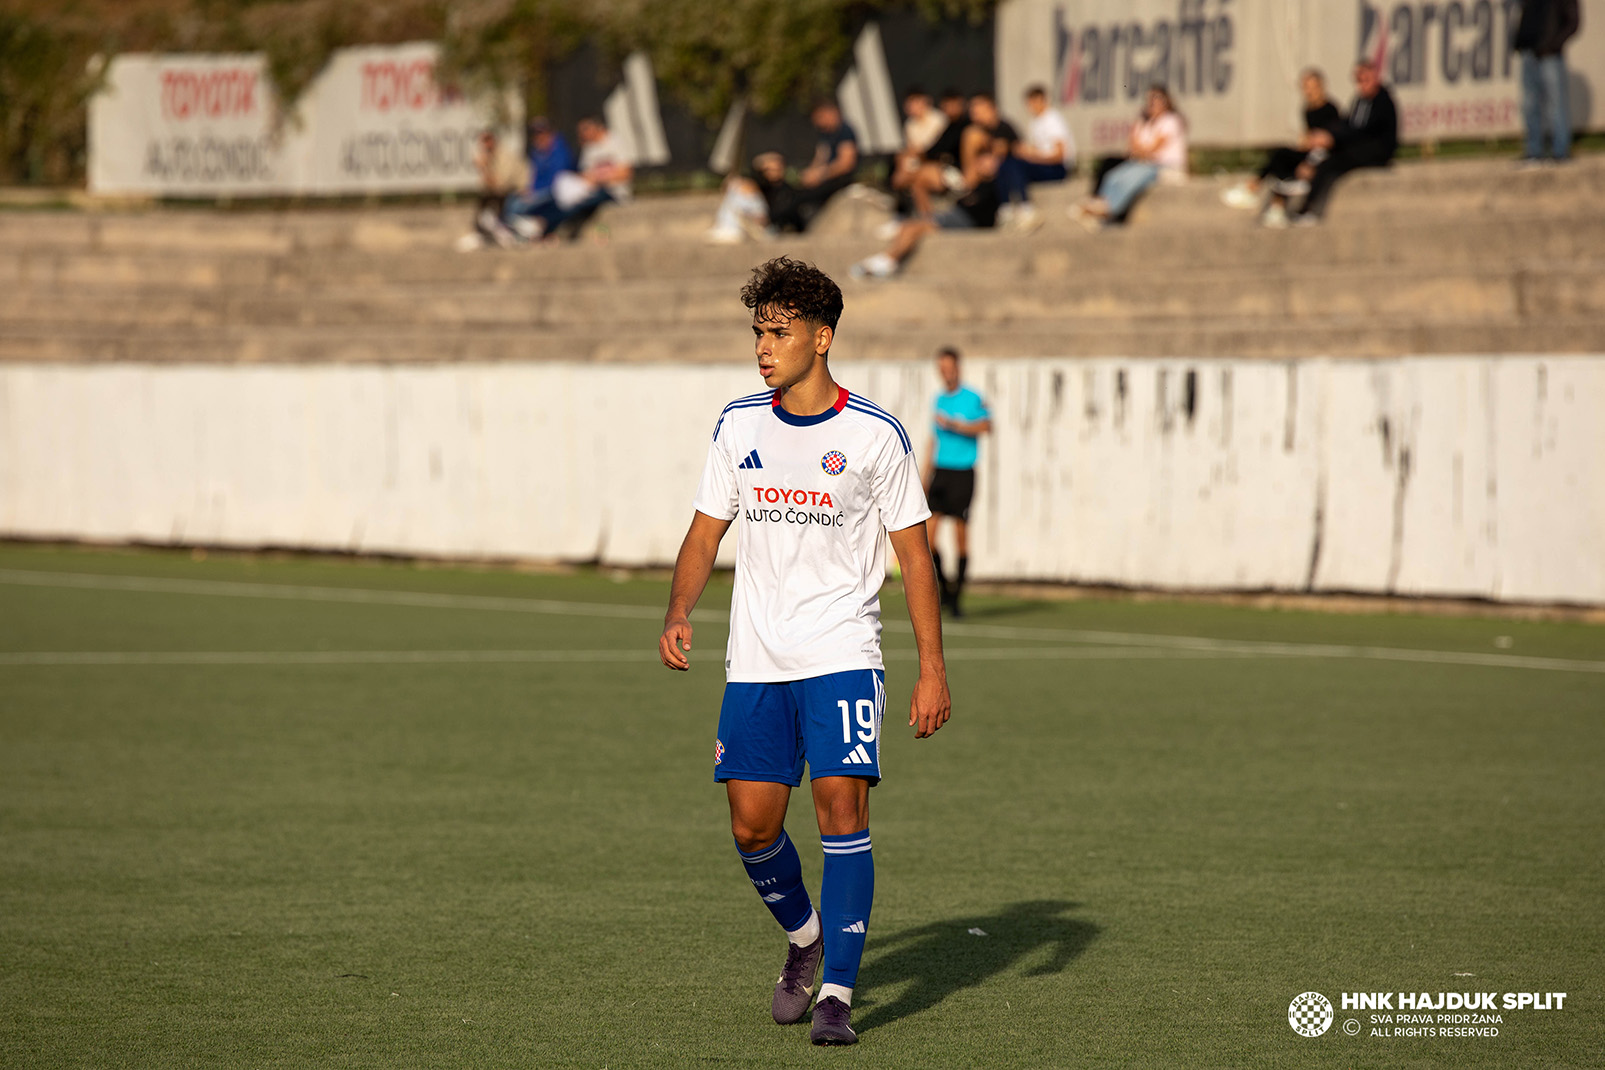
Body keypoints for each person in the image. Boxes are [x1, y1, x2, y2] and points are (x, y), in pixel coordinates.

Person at [658, 256, 951, 1047]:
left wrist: (930, 667)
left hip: (842, 652)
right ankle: (803, 939)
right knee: (752, 827)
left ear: (821, 339)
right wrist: (679, 608)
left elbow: (915, 557)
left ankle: (838, 995)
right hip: (755, 658)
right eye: (758, 331)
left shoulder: (873, 435)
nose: (763, 346)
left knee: (841, 812)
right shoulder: (737, 423)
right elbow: (704, 528)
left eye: (778, 332)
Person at [849, 150, 1004, 280]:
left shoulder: (996, 184)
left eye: (991, 161)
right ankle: (887, 258)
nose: (988, 165)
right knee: (912, 224)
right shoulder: (972, 185)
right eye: (984, 161)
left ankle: (887, 261)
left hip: (965, 221)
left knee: (914, 227)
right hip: (954, 216)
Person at [1219, 69, 1341, 225]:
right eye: (1305, 87)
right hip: (1309, 153)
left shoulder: (1330, 110)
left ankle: (1261, 193)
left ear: (1321, 87)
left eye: (1311, 87)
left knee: (1284, 159)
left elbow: (1328, 143)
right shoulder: (1307, 109)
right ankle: (1272, 202)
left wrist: (1310, 162)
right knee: (1280, 155)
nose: (1307, 91)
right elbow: (1308, 138)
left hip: (1320, 159)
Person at [923, 347, 991, 617]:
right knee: (928, 538)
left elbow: (987, 426)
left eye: (949, 368)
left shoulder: (973, 397)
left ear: (958, 368)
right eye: (942, 369)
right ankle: (944, 587)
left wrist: (957, 425)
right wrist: (925, 475)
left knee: (961, 536)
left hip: (963, 472)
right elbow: (933, 439)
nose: (946, 373)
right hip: (941, 470)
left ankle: (957, 598)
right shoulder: (938, 398)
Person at [1289, 61, 1397, 223]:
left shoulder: (1382, 102)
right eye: (1358, 80)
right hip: (1360, 147)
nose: (1361, 84)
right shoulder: (1360, 101)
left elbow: (1364, 131)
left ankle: (1310, 209)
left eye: (1365, 79)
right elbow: (1348, 124)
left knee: (1329, 163)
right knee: (1322, 158)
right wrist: (1327, 136)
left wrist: (1333, 139)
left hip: (1376, 151)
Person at [1068, 85, 1187, 229]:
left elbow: (1151, 149)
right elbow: (1132, 146)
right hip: (1144, 163)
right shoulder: (1145, 122)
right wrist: (1140, 149)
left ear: (1166, 101)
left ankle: (1110, 209)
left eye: (1157, 99)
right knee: (1113, 176)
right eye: (1150, 99)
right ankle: (1099, 207)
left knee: (1131, 179)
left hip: (1164, 166)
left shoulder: (1171, 120)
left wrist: (1141, 150)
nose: (1153, 103)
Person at [520, 115, 634, 241]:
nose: (582, 134)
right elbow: (584, 175)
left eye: (585, 129)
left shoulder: (614, 142)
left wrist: (598, 178)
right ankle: (537, 223)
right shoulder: (589, 148)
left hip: (614, 192)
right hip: (592, 190)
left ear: (596, 127)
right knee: (566, 201)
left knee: (577, 204)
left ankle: (544, 226)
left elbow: (626, 173)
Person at [994, 85, 1076, 230]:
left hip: (1057, 168)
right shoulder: (1035, 122)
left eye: (1035, 101)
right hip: (1043, 165)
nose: (1032, 106)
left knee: (1016, 164)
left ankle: (1026, 207)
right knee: (1006, 163)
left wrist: (1031, 156)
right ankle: (1006, 207)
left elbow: (1059, 154)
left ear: (1043, 100)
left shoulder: (1052, 119)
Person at [1515, 0, 1582, 164]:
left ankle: (1560, 151)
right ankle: (1534, 151)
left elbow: (1573, 22)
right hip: (1528, 52)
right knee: (1529, 104)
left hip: (1550, 55)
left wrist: (1552, 44)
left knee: (1556, 103)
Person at [784, 101, 859, 229]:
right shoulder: (825, 133)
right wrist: (809, 174)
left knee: (803, 199)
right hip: (825, 176)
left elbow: (846, 163)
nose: (817, 123)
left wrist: (821, 175)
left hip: (839, 179)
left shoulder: (845, 131)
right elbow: (820, 157)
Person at [459, 129, 528, 250]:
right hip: (505, 193)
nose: (485, 145)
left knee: (490, 202)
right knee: (483, 200)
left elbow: (501, 185)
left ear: (493, 141)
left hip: (518, 193)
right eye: (483, 141)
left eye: (487, 141)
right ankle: (481, 230)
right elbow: (486, 186)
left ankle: (496, 230)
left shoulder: (505, 156)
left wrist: (484, 168)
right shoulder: (491, 157)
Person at [504, 117, 575, 233]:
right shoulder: (536, 153)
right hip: (540, 191)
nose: (538, 137)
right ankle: (518, 228)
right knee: (513, 199)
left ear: (550, 133)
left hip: (556, 191)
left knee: (518, 205)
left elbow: (557, 179)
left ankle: (523, 229)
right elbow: (534, 176)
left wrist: (534, 193)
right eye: (535, 134)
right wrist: (528, 189)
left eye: (541, 133)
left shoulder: (560, 150)